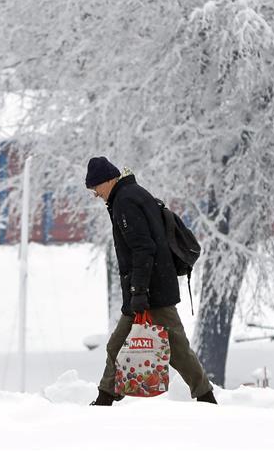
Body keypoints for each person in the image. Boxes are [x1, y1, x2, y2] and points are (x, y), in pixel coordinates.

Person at [85, 156, 217, 406]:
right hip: (151, 288)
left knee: (176, 349)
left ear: (109, 180)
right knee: (119, 345)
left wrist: (138, 291)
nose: (95, 194)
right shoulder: (131, 194)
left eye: (96, 188)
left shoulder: (125, 201)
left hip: (150, 292)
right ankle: (105, 398)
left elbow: (143, 248)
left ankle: (206, 396)